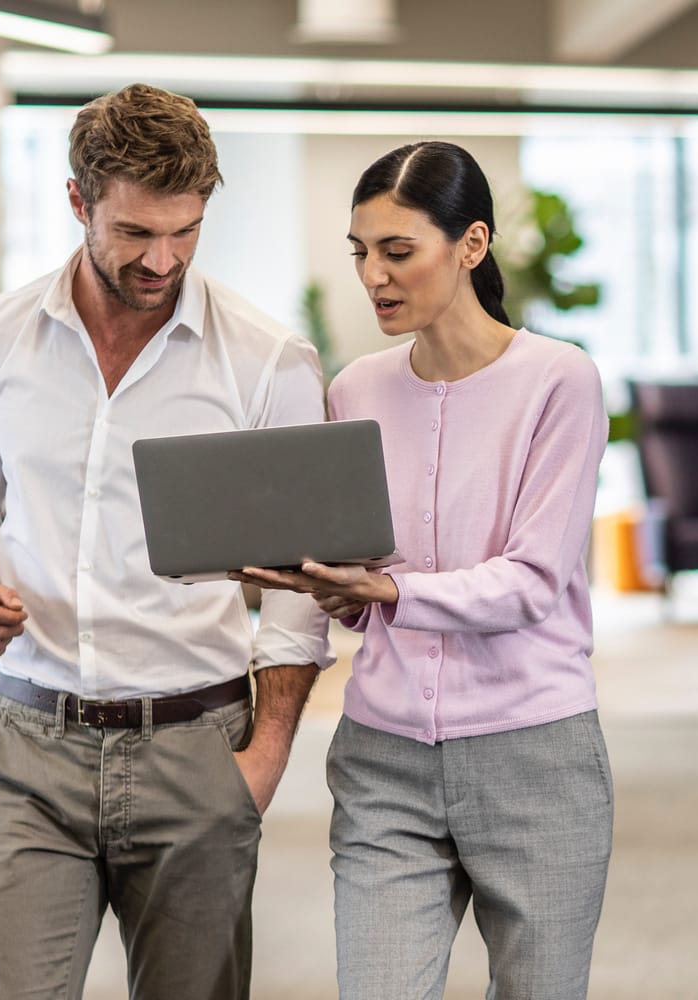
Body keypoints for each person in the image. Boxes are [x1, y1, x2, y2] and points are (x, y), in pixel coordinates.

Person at [0, 83, 333, 999]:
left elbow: (304, 585)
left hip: (197, 749)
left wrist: (261, 761)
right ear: (78, 201)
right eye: (137, 232)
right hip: (30, 739)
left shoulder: (268, 361)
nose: (163, 259)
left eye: (185, 231)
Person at [236, 141, 613, 1000]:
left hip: (535, 759)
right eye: (361, 253)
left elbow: (532, 581)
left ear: (472, 245)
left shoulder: (559, 381)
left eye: (398, 251)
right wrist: (327, 585)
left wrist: (391, 592)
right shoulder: (355, 389)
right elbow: (364, 586)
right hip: (385, 758)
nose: (374, 276)